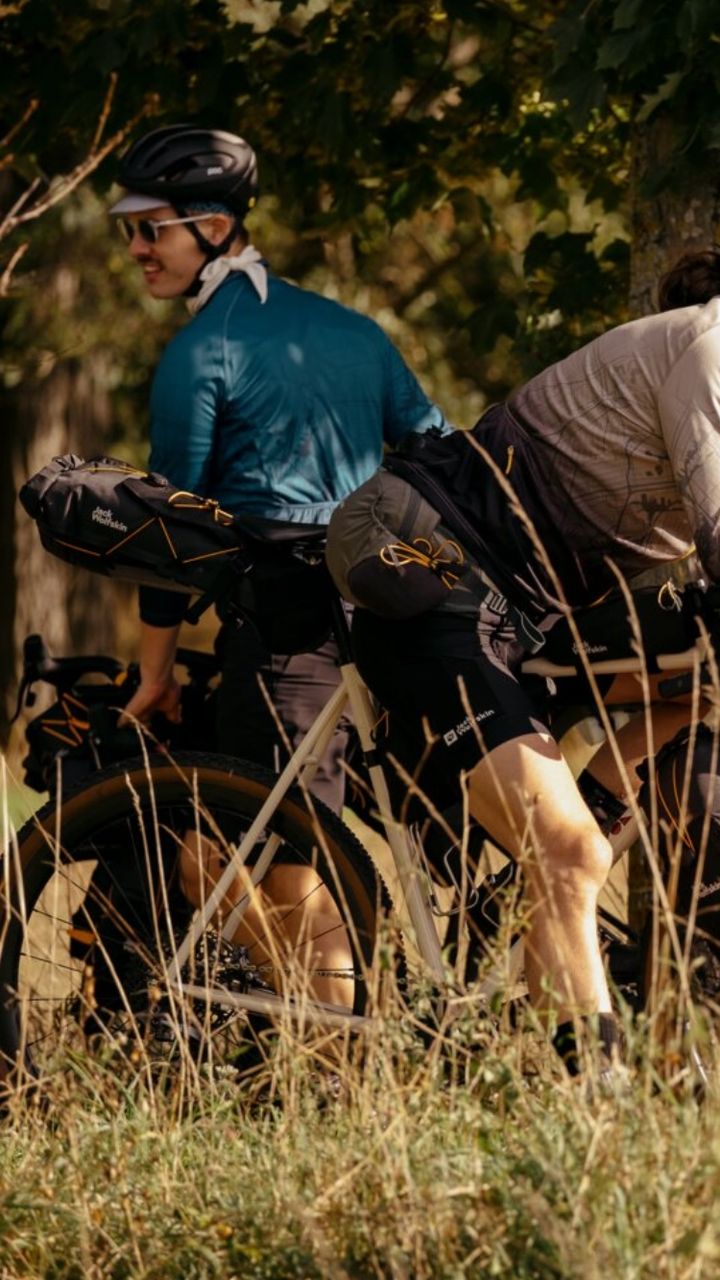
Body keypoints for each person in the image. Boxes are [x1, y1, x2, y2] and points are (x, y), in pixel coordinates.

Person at [326, 161, 720, 1075]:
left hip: (540, 601)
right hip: (428, 549)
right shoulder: (717, 351)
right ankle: (601, 1111)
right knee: (569, 849)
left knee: (708, 694)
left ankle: (526, 900)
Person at [109, 123, 446, 1004]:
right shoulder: (354, 330)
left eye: (152, 230)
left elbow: (170, 529)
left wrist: (153, 671)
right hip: (385, 625)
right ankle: (337, 1038)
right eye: (128, 233)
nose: (137, 251)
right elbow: (441, 453)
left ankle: (333, 1049)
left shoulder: (201, 351)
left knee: (234, 863)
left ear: (214, 228)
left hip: (285, 632)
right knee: (305, 854)